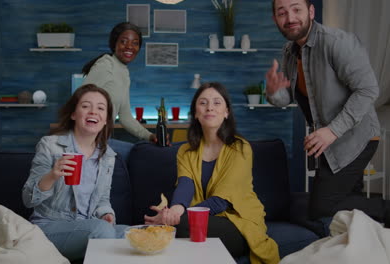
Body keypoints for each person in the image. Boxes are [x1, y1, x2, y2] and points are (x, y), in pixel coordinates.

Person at [266, 0, 389, 225]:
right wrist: (274, 92)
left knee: (323, 209)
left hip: (356, 137)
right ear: (275, 19)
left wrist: (331, 131)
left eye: (296, 9)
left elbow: (368, 90)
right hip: (330, 142)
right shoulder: (290, 51)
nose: (290, 18)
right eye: (282, 13)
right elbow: (289, 97)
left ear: (311, 11)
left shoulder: (337, 43)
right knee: (347, 210)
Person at [144, 82, 280, 263]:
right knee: (171, 227)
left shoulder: (240, 148)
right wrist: (173, 212)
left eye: (217, 102)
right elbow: (186, 185)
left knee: (180, 227)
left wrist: (178, 218)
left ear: (226, 112)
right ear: (196, 113)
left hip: (239, 221)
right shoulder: (185, 151)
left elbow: (221, 201)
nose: (210, 107)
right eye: (203, 103)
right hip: (203, 219)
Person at [22, 84, 127, 262]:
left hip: (88, 226)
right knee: (101, 231)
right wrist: (53, 175)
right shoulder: (50, 145)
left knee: (132, 233)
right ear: (73, 114)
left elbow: (102, 200)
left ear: (106, 120)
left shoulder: (108, 156)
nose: (93, 111)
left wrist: (106, 214)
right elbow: (28, 199)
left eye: (101, 108)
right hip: (49, 229)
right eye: (86, 106)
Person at [81, 22, 156, 143]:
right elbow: (81, 102)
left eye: (135, 43)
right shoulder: (106, 64)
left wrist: (150, 136)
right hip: (86, 140)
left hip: (102, 140)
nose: (129, 46)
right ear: (114, 43)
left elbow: (125, 117)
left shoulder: (124, 73)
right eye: (123, 41)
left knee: (140, 151)